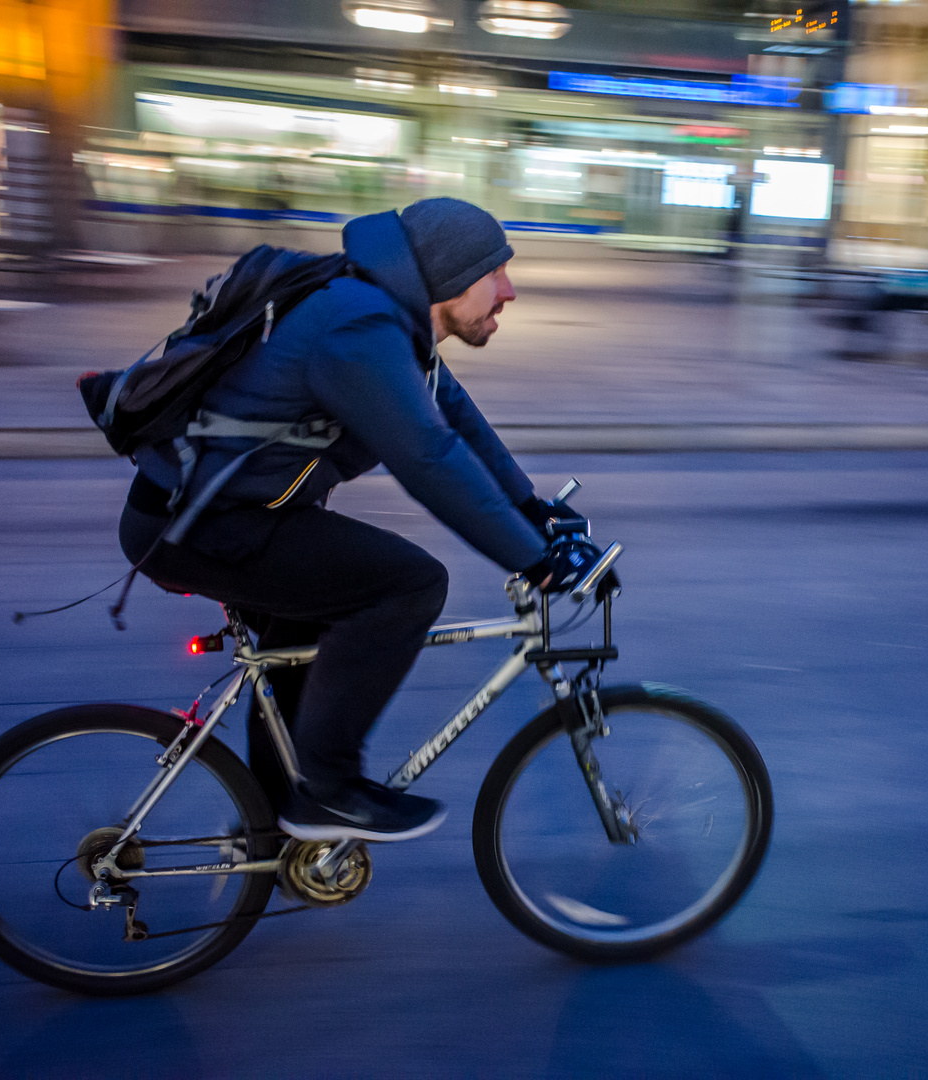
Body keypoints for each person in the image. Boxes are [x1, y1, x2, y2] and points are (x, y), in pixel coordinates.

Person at [118, 198, 582, 843]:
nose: (510, 289)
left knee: (295, 655)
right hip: (204, 527)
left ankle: (277, 828)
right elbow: (427, 457)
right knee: (407, 584)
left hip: (222, 517)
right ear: (446, 276)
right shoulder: (358, 328)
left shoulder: (389, 323)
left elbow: (457, 422)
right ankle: (331, 792)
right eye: (494, 271)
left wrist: (533, 511)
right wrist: (532, 558)